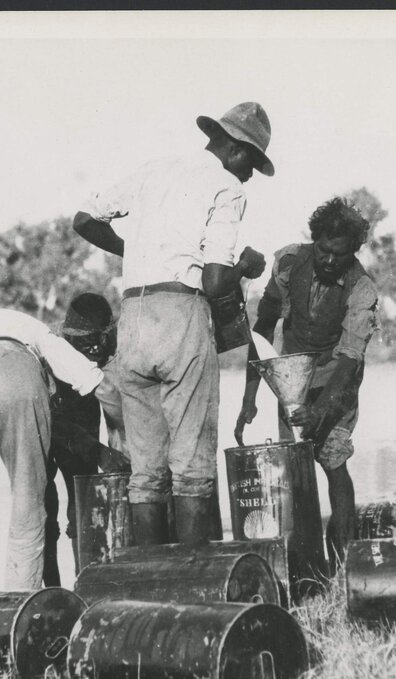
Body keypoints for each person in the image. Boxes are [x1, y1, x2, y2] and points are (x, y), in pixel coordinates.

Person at [72, 101, 273, 548]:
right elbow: (215, 281)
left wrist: (136, 252)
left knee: (145, 473)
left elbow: (83, 219)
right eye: (252, 165)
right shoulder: (227, 187)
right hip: (182, 314)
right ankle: (196, 581)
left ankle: (152, 579)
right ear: (237, 150)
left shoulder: (155, 169)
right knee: (192, 470)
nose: (249, 176)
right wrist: (246, 266)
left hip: (133, 318)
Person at [0, 299, 124, 593]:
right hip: (15, 370)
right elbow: (104, 389)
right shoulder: (40, 333)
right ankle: (25, 601)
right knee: (29, 504)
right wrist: (121, 442)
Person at [235, 198, 378, 574]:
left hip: (336, 382)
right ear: (314, 240)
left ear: (353, 251)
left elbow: (350, 360)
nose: (329, 260)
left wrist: (322, 411)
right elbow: (263, 331)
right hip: (291, 380)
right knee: (294, 470)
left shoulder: (362, 288)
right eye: (323, 250)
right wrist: (250, 397)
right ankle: (303, 567)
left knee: (334, 462)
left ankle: (344, 565)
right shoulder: (287, 262)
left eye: (339, 255)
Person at [42, 293, 128, 587]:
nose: (94, 350)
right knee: (44, 506)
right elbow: (50, 421)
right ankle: (53, 591)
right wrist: (95, 449)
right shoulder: (49, 347)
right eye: (86, 343)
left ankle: (88, 583)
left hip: (82, 400)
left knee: (85, 500)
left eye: (99, 343)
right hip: (46, 411)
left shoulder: (110, 344)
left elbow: (114, 394)